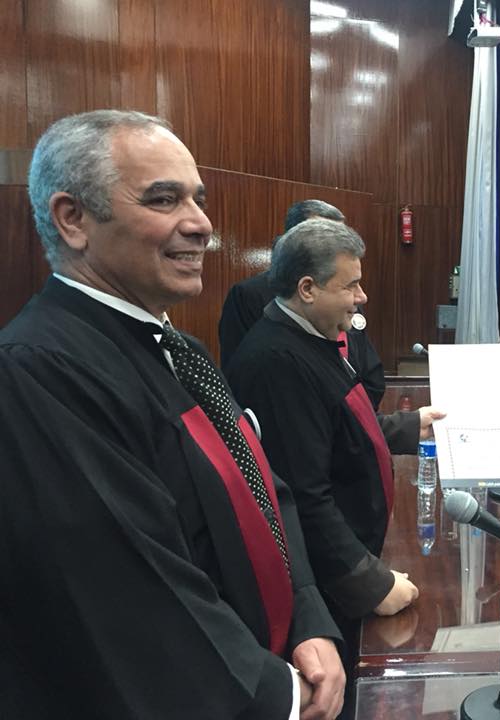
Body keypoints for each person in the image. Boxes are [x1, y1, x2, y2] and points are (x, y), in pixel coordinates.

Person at [0, 110, 344, 719]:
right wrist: (281, 696)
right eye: (164, 199)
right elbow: (128, 590)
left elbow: (263, 487)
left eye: (198, 200)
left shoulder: (180, 349)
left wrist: (308, 617)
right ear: (73, 219)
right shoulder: (39, 371)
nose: (202, 224)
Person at [225, 218, 445, 710]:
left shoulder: (309, 337)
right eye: (351, 285)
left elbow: (336, 428)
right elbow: (304, 496)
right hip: (328, 588)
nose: (361, 297)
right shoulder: (276, 362)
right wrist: (371, 583)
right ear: (307, 288)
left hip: (351, 560)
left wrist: (409, 426)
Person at [218, 199, 386, 410]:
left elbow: (370, 373)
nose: (361, 296)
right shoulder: (251, 299)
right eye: (323, 237)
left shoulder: (346, 297)